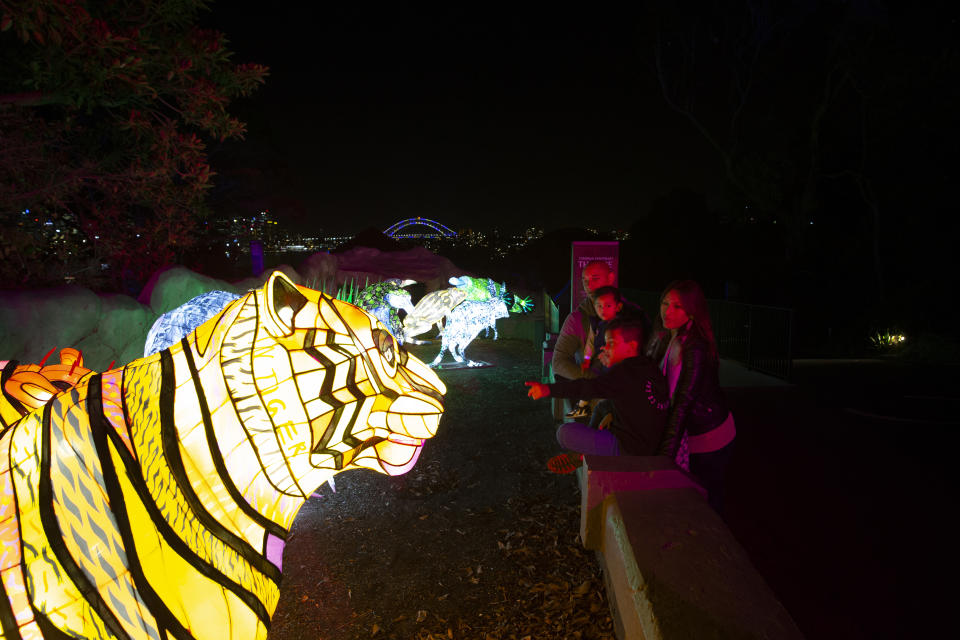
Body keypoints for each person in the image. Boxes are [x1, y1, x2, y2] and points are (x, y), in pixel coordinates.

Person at [526, 320, 669, 473]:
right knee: (602, 407)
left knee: (563, 433)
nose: (604, 348)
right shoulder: (647, 367)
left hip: (628, 450)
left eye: (611, 344)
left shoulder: (624, 373)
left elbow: (587, 387)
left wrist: (548, 389)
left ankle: (584, 455)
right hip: (644, 443)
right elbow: (627, 396)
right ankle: (589, 449)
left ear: (632, 346)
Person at [646, 280, 735, 515]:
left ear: (692, 313)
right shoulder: (666, 336)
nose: (668, 311)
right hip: (692, 433)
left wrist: (663, 459)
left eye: (678, 307)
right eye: (665, 303)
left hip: (709, 436)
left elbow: (682, 404)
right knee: (696, 496)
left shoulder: (694, 348)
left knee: (708, 498)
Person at [551, 261, 649, 418]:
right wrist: (594, 382)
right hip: (598, 400)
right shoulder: (578, 319)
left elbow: (647, 357)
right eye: (584, 280)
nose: (589, 285)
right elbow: (558, 362)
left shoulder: (635, 314)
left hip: (630, 399)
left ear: (611, 278)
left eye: (595, 278)